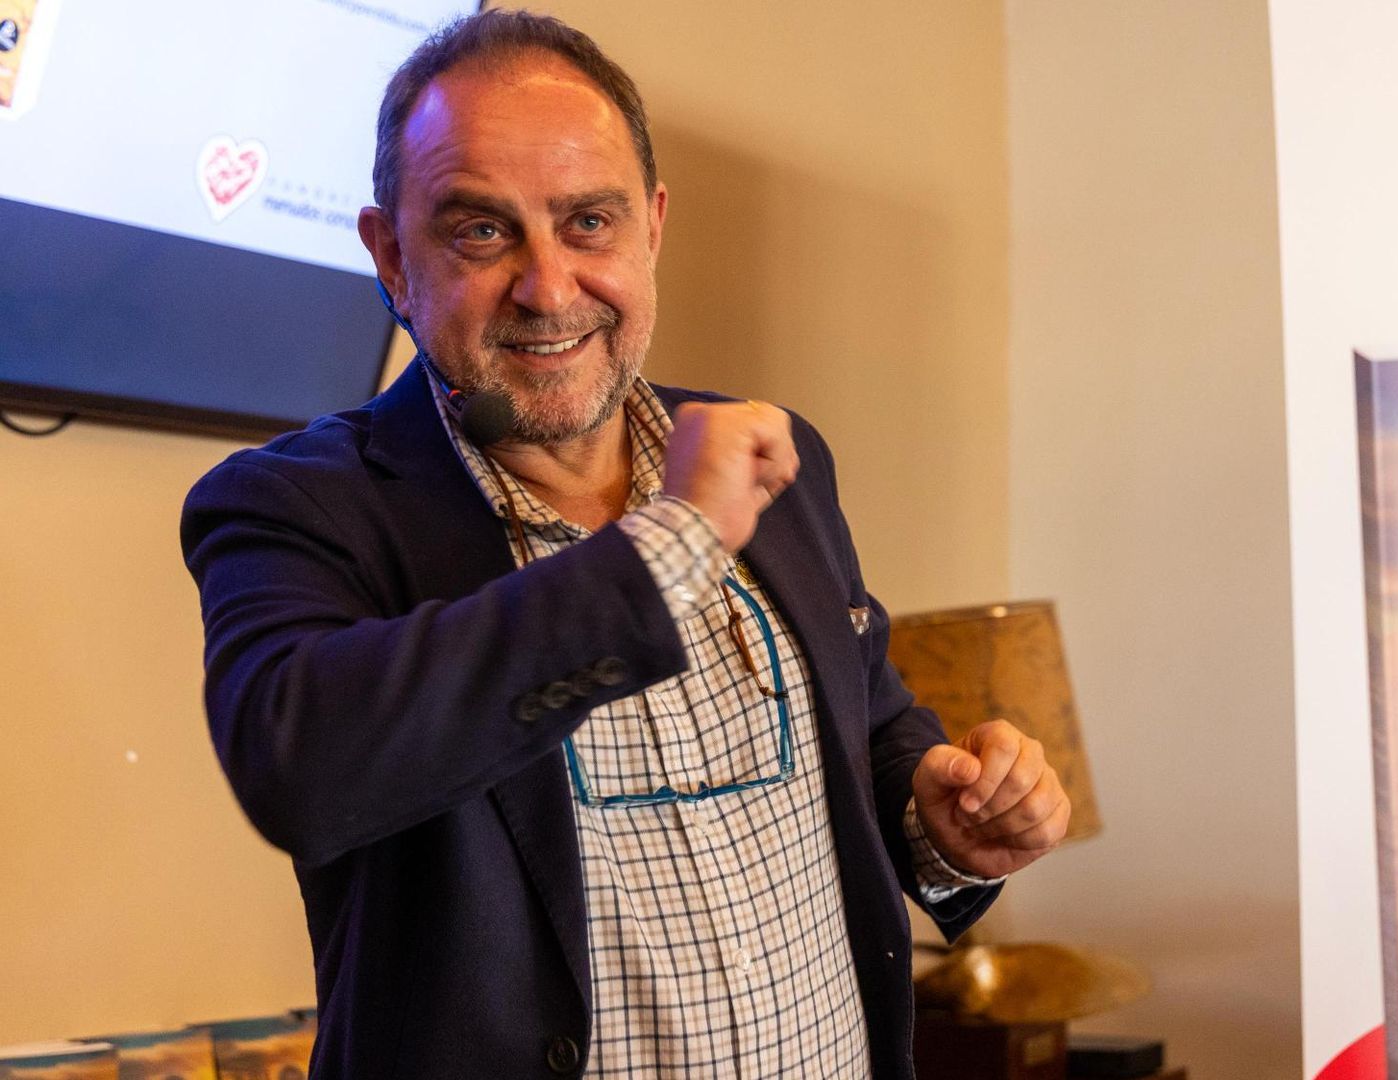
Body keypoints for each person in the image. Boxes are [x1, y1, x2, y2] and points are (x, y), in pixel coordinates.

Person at [179, 11, 1068, 1078]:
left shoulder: (776, 461)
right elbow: (305, 769)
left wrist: (944, 824)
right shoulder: (295, 508)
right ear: (391, 257)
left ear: (651, 226)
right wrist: (673, 544)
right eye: (480, 231)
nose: (548, 288)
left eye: (587, 222)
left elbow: (866, 718)